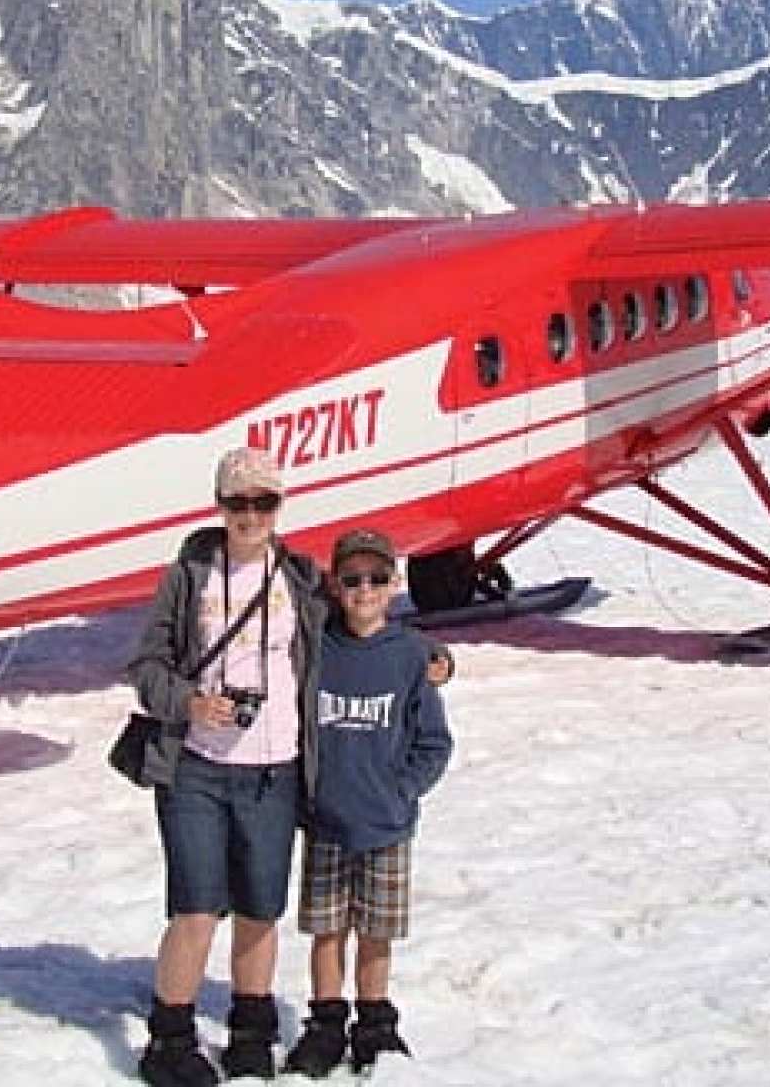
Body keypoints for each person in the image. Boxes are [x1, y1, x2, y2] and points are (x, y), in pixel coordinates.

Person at [126, 446, 330, 1086]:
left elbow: (360, 629)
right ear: (219, 506)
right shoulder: (190, 575)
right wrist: (190, 702)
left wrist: (428, 660)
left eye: (263, 503)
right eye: (237, 503)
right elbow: (146, 667)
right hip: (197, 769)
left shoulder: (299, 578)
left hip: (276, 768)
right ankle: (170, 1038)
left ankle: (250, 1032)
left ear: (279, 506)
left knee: (260, 909)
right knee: (195, 908)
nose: (249, 516)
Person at [284, 528, 453, 1079]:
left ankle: (374, 1022)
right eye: (352, 579)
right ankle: (327, 1021)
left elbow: (433, 741)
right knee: (327, 930)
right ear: (336, 585)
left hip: (386, 823)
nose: (364, 590)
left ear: (393, 583)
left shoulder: (408, 654)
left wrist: (400, 789)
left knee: (376, 930)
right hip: (327, 820)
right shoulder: (316, 647)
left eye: (377, 579)